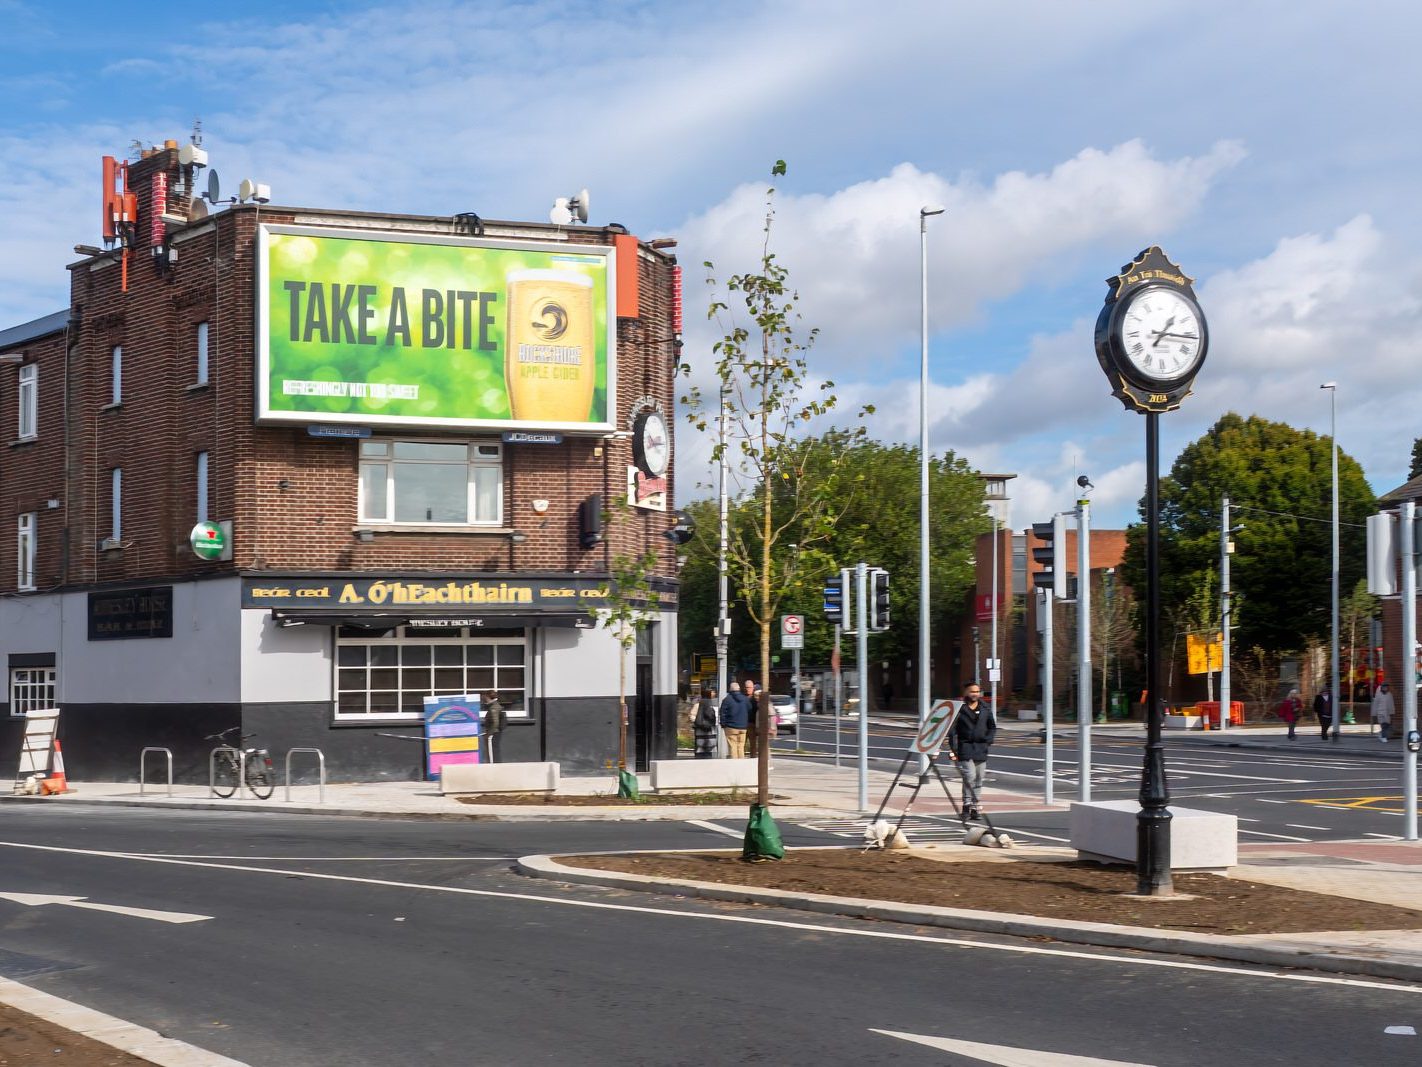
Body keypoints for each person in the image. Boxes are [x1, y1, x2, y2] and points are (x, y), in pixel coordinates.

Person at [948, 682, 997, 821]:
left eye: (977, 691)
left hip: (981, 748)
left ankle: (975, 807)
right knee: (969, 775)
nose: (975, 694)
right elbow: (952, 731)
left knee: (979, 777)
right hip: (965, 747)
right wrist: (954, 748)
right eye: (972, 691)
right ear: (966, 693)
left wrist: (988, 740)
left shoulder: (985, 709)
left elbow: (992, 727)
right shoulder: (960, 709)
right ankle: (966, 805)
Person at [718, 682, 751, 759]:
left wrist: (723, 724)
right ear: (739, 689)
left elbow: (722, 713)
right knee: (741, 746)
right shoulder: (745, 699)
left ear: (730, 689)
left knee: (732, 746)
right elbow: (750, 710)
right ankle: (741, 763)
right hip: (743, 727)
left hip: (730, 727)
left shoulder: (727, 700)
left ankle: (734, 763)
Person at [693, 688, 719, 759]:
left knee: (701, 745)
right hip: (706, 726)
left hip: (700, 726)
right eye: (712, 692)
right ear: (708, 694)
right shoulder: (707, 702)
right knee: (708, 745)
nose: (713, 694)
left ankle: (700, 756)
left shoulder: (701, 701)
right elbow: (709, 714)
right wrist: (713, 715)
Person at [482, 692, 507, 763]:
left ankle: (495, 766)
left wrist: (489, 734)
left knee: (493, 751)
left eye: (486, 697)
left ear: (489, 697)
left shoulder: (494, 707)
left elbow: (495, 722)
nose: (485, 699)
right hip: (495, 732)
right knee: (494, 750)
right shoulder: (493, 706)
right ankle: (496, 765)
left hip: (494, 733)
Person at [745, 679, 761, 758]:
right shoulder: (743, 698)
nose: (748, 689)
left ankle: (753, 757)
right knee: (743, 743)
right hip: (744, 724)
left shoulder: (755, 699)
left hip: (752, 723)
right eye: (746, 687)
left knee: (753, 743)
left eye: (749, 687)